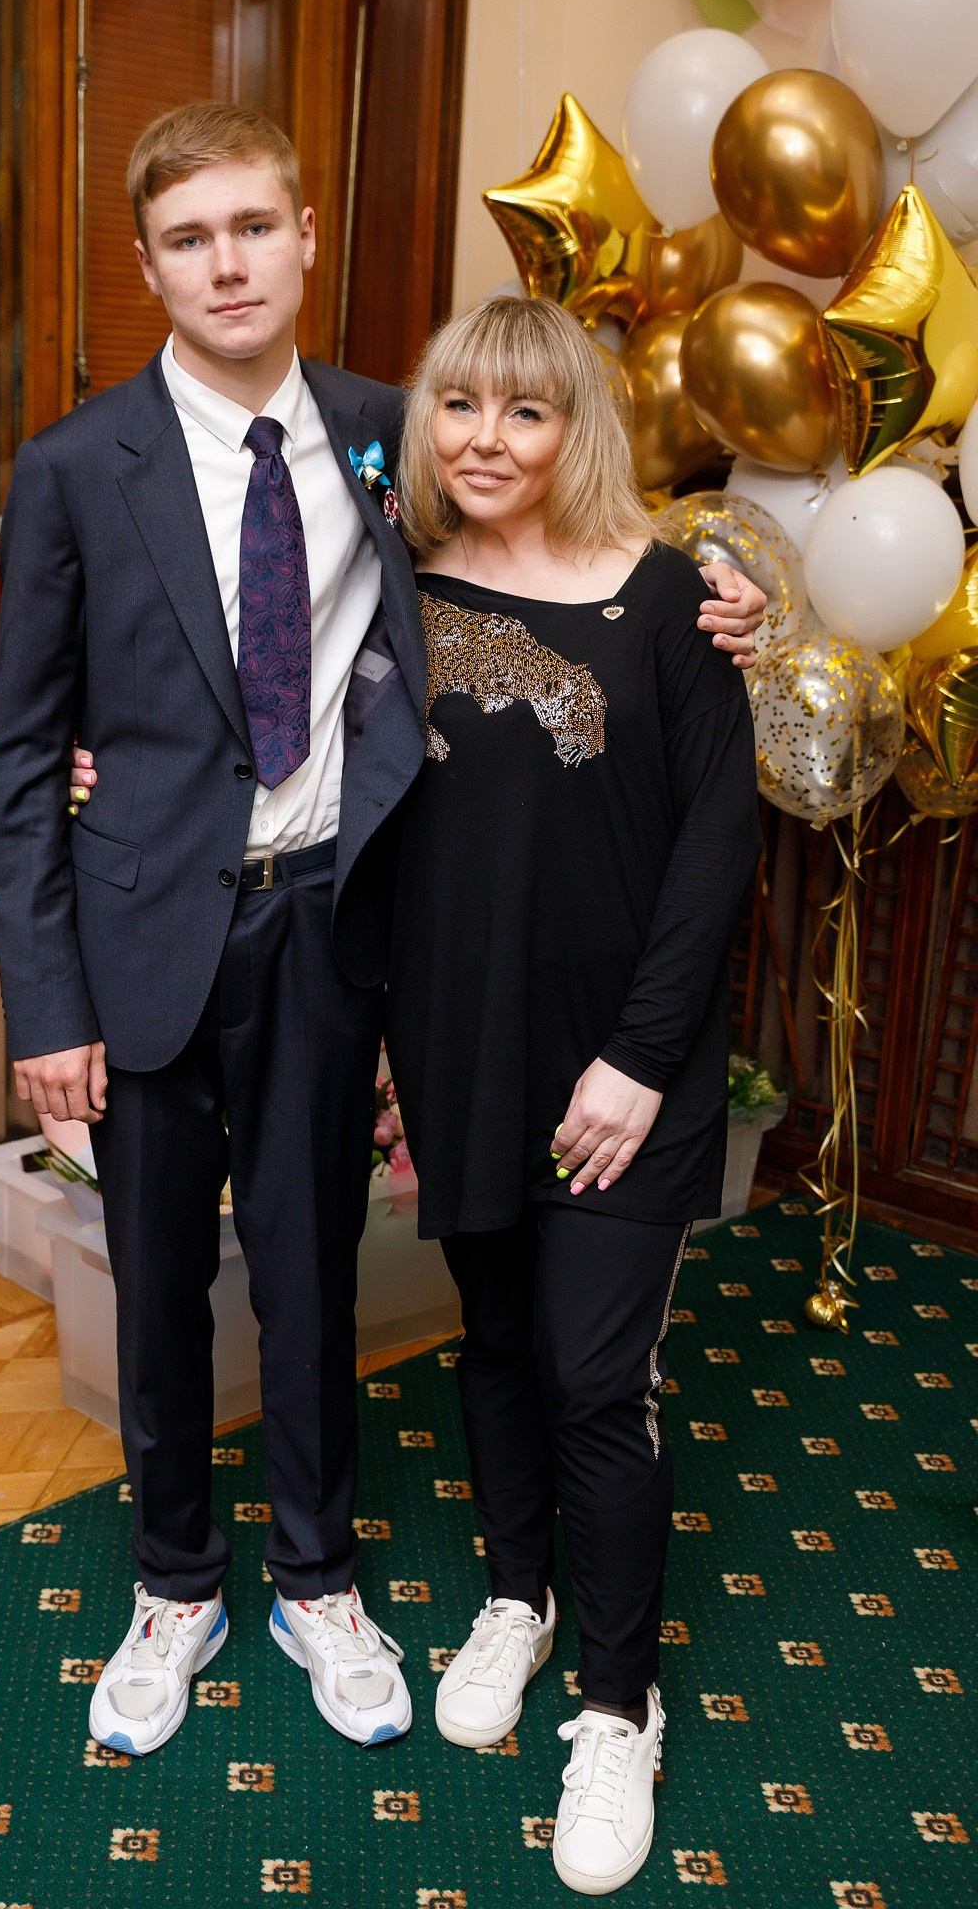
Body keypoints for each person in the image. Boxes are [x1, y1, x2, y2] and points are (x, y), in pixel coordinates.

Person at [0, 100, 763, 1765]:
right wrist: (44, 1005)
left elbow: (560, 526)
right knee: (158, 1290)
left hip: (336, 931)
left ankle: (317, 1580)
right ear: (149, 266)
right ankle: (173, 1587)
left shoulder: (388, 435)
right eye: (187, 239)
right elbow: (21, 758)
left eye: (250, 228)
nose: (225, 264)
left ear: (305, 236)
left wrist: (723, 589)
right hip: (144, 944)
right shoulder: (71, 469)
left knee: (311, 1273)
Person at [385, 295, 761, 1895]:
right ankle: (513, 1599)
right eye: (460, 404)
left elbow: (718, 846)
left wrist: (640, 1061)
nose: (487, 438)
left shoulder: (677, 603)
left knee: (598, 1379)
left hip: (625, 1069)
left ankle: (619, 1708)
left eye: (525, 411)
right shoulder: (396, 593)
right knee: (494, 1342)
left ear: (574, 429)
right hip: (459, 1051)